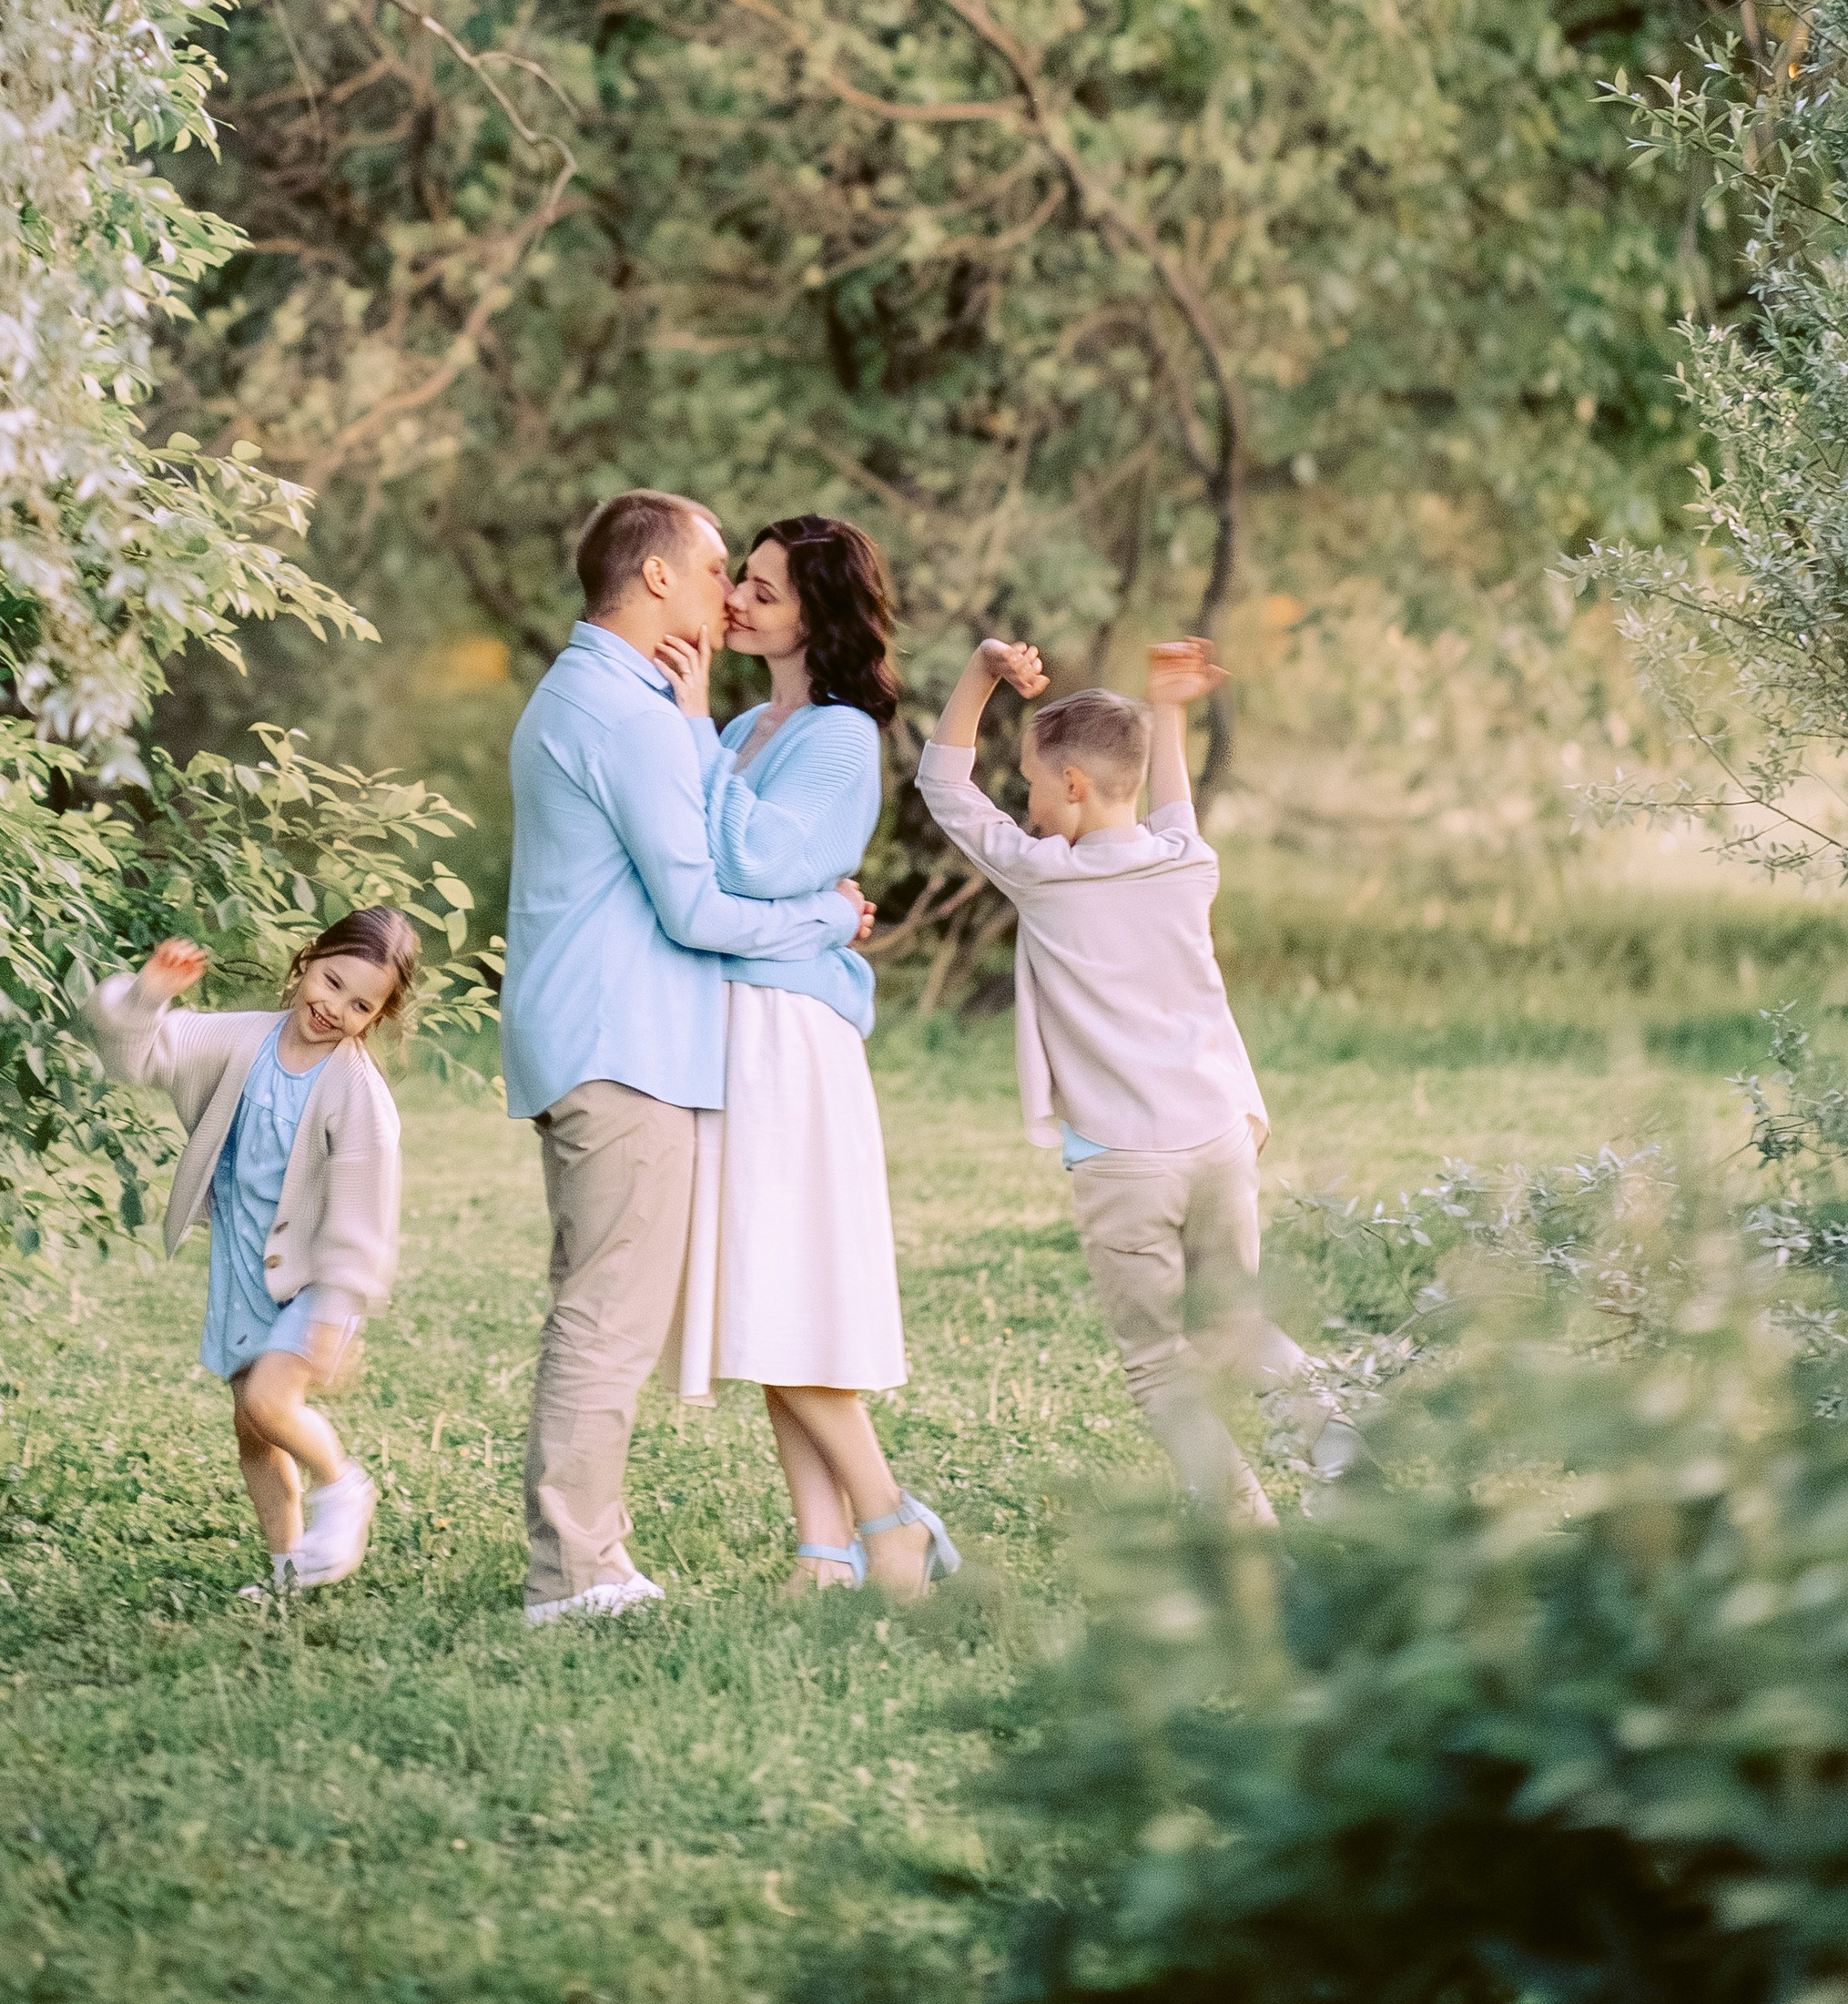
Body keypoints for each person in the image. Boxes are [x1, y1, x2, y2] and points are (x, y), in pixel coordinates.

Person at [502, 489, 870, 1627]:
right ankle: (575, 1574)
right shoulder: (630, 715)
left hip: (611, 1037)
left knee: (599, 1305)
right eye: (718, 571)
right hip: (623, 1044)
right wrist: (831, 922)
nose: (728, 596)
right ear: (659, 578)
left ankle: (592, 1556)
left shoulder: (619, 697)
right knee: (607, 1316)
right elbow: (699, 907)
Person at [915, 634, 1354, 1524]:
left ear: (1072, 785)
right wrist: (1169, 711)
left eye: (1036, 787)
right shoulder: (1190, 865)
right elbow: (1173, 807)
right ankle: (1338, 1444)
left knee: (1156, 1363)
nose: (1029, 808)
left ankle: (1237, 1517)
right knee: (1231, 1328)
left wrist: (981, 673)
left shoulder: (1043, 877)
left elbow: (940, 786)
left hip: (1124, 1161)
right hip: (1218, 1139)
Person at [659, 515, 958, 1598]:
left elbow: (747, 859)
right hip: (735, 1027)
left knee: (790, 1295)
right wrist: (705, 732)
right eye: (741, 578)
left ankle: (888, 1527)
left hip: (789, 1037)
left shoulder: (835, 736)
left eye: (766, 590)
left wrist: (691, 725)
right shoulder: (744, 729)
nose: (735, 597)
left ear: (816, 617)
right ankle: (823, 1553)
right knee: (768, 1298)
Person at [85, 905, 418, 1598]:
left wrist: (335, 1312)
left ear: (378, 1017)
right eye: (330, 983)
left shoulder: (360, 1097)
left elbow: (364, 1217)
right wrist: (149, 995)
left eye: (361, 1004)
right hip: (245, 1267)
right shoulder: (242, 1039)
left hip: (318, 1283)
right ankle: (286, 1571)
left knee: (272, 1401)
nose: (334, 1008)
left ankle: (345, 1486)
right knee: (253, 1432)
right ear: (306, 964)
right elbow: (134, 1051)